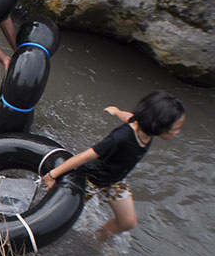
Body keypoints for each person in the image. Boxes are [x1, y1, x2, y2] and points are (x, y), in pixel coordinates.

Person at [43, 91, 185, 241]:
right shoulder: (120, 138)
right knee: (60, 219)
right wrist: (53, 174)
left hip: (114, 181)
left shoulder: (145, 129)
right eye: (175, 128)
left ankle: (98, 241)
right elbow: (86, 156)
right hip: (90, 180)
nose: (178, 132)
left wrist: (116, 112)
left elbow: (129, 117)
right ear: (159, 125)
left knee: (128, 222)